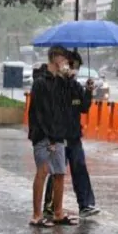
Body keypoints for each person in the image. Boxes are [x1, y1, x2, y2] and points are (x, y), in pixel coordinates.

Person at [43, 51, 100, 219]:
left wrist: (88, 91)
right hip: (58, 137)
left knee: (80, 168)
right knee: (57, 172)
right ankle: (50, 205)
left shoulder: (75, 86)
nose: (74, 70)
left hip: (74, 136)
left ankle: (86, 204)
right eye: (72, 66)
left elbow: (83, 107)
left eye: (77, 68)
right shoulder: (55, 84)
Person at [28, 45, 79, 228]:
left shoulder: (60, 81)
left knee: (59, 173)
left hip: (58, 135)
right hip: (44, 135)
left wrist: (70, 80)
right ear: (55, 58)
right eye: (63, 59)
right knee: (42, 172)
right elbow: (41, 112)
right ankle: (36, 215)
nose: (66, 63)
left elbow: (70, 102)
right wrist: (48, 137)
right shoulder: (41, 81)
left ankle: (58, 212)